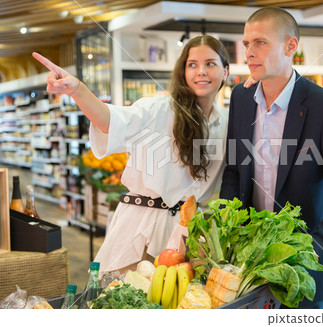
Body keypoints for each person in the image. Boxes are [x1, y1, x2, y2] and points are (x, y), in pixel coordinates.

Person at [33, 35, 230, 276]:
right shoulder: (159, 109)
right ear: (183, 71)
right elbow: (109, 120)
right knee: (128, 304)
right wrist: (78, 90)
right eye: (192, 65)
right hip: (143, 227)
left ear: (226, 72)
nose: (201, 71)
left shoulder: (227, 122)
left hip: (191, 232)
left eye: (210, 63)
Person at [220, 7, 323, 309]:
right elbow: (234, 170)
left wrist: (315, 249)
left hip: (310, 274)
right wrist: (227, 233)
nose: (249, 52)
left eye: (260, 42)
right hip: (252, 266)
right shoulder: (241, 98)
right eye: (246, 43)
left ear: (291, 46)